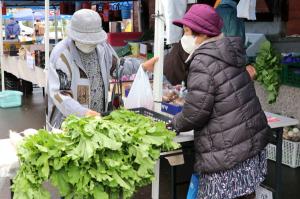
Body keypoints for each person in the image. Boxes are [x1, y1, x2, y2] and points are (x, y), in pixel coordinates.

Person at [165, 4, 268, 199]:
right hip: (249, 144)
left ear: (202, 34)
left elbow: (195, 113)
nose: (184, 37)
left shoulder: (203, 61)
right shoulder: (230, 51)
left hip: (227, 151)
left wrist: (173, 124)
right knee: (245, 194)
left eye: (187, 32)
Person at [47, 9, 152, 130]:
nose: (90, 43)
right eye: (85, 40)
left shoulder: (102, 47)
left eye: (92, 41)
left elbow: (117, 67)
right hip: (68, 123)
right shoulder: (62, 54)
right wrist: (83, 113)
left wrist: (141, 66)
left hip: (97, 121)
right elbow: (60, 94)